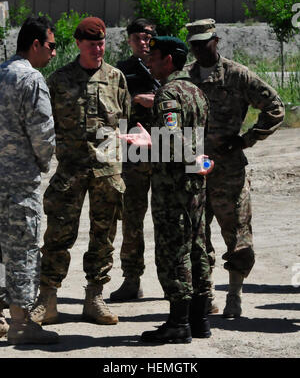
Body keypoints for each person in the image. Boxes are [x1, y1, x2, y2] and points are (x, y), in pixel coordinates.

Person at [30, 17, 131, 326]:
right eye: (91, 44)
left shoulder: (116, 78)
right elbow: (46, 126)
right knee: (58, 235)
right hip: (70, 171)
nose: (98, 49)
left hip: (107, 173)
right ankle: (47, 299)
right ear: (78, 44)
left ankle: (94, 297)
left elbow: (124, 123)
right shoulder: (59, 80)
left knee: (104, 236)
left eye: (101, 43)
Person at [183, 18, 285, 318]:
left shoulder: (237, 75)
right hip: (197, 169)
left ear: (216, 41)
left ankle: (235, 295)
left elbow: (275, 107)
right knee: (196, 237)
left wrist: (245, 140)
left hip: (229, 171)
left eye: (205, 43)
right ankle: (205, 295)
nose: (201, 49)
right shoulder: (185, 78)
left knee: (238, 238)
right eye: (195, 45)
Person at [120, 36, 214, 344]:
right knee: (198, 246)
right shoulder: (196, 91)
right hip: (195, 183)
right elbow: (198, 138)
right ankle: (199, 320)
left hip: (174, 186)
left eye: (156, 55)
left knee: (175, 251)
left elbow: (173, 141)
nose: (150, 60)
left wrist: (149, 143)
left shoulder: (168, 94)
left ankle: (177, 324)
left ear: (169, 60)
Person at [0, 16, 58, 345]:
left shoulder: (1, 72)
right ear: (34, 44)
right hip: (19, 184)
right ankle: (21, 323)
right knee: (22, 251)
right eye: (50, 46)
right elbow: (43, 134)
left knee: (0, 252)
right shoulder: (31, 79)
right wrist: (41, 163)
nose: (53, 53)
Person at [110, 18, 158, 302]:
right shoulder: (121, 71)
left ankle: (177, 280)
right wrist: (134, 100)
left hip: (168, 148)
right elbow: (110, 109)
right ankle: (131, 279)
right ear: (128, 40)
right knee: (132, 218)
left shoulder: (168, 64)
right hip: (133, 150)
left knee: (171, 217)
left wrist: (157, 97)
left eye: (148, 37)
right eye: (138, 38)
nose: (143, 42)